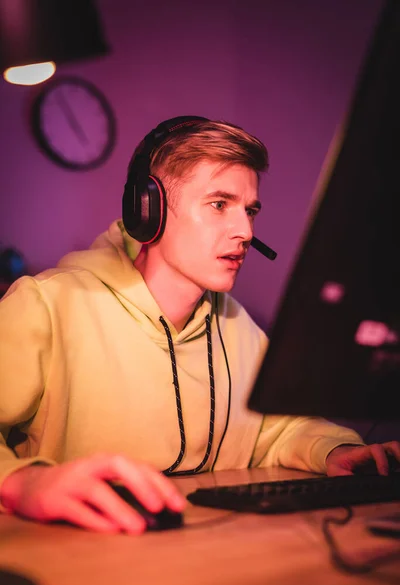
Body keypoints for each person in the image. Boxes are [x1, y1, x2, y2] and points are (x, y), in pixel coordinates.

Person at [0, 117, 399, 535]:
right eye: (219, 204)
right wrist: (21, 481)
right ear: (147, 209)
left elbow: (279, 429)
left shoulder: (237, 326)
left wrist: (334, 449)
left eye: (250, 210)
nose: (245, 231)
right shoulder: (47, 305)